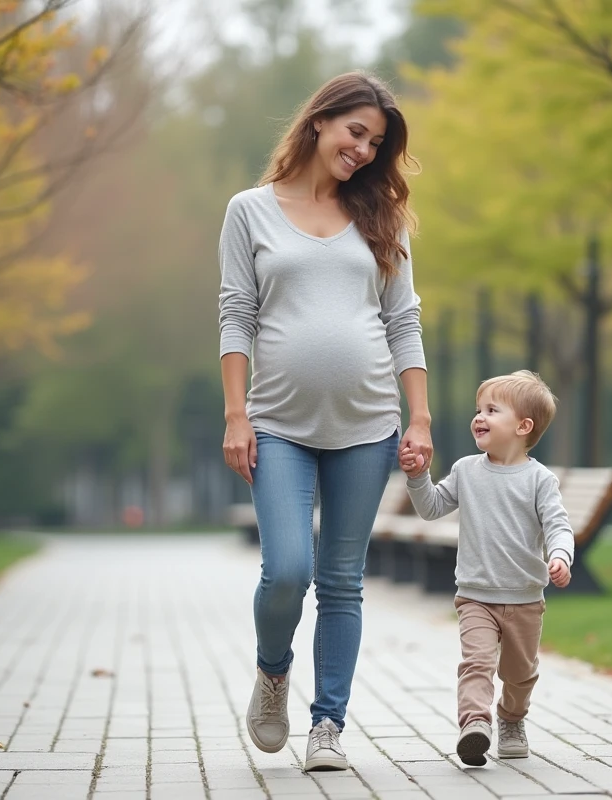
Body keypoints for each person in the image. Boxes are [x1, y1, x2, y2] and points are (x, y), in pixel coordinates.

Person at [218, 72, 432, 772]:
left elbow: (403, 321)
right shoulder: (249, 211)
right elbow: (237, 314)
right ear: (319, 122)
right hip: (276, 424)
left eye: (376, 142)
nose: (366, 151)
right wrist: (236, 414)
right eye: (357, 132)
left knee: (341, 580)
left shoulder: (382, 219)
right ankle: (273, 673)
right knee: (286, 571)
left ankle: (329, 725)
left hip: (368, 426)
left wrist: (421, 417)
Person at [399, 370, 573, 767]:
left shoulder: (539, 480)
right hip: (476, 595)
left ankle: (511, 719)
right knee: (476, 664)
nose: (479, 417)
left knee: (520, 674)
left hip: (525, 598)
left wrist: (561, 555)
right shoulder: (466, 470)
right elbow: (431, 508)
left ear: (523, 426)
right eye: (478, 409)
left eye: (492, 410)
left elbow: (558, 526)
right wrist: (417, 476)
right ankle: (475, 725)